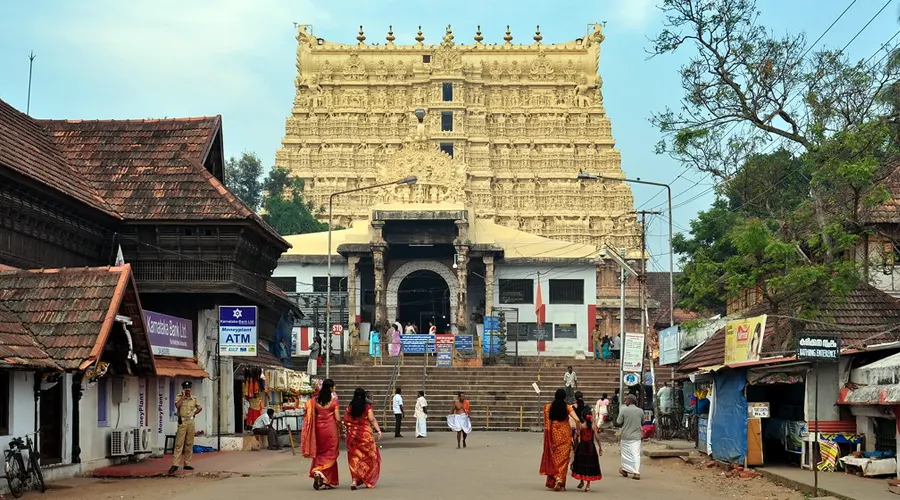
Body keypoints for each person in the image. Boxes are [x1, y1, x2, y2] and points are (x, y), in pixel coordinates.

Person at [302, 378, 340, 490]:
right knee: (331, 453)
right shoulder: (334, 401)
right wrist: (341, 428)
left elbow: (309, 413)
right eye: (334, 386)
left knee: (320, 452)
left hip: (318, 430)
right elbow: (337, 418)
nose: (335, 388)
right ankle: (319, 471)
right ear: (331, 388)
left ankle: (324, 478)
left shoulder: (315, 401)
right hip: (330, 429)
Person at [539, 388, 581, 491]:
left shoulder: (548, 407)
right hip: (565, 434)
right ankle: (560, 479)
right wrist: (578, 431)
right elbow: (577, 419)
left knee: (554, 457)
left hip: (553, 433)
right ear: (564, 397)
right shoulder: (567, 407)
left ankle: (556, 478)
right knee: (564, 459)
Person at [344, 388, 382, 490]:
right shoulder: (367, 407)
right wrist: (378, 430)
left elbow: (345, 421)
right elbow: (372, 419)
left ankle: (354, 481)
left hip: (352, 436)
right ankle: (367, 480)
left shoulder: (349, 408)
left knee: (354, 457)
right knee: (370, 457)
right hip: (366, 435)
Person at [168, 381, 202, 475]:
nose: (187, 390)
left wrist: (194, 414)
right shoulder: (179, 397)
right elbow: (177, 406)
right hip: (182, 422)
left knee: (189, 443)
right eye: (186, 388)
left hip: (191, 422)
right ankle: (175, 464)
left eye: (189, 388)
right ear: (183, 389)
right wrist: (183, 397)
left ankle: (187, 463)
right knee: (179, 444)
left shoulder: (193, 398)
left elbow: (200, 408)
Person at [572, 408, 603, 491]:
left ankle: (581, 480)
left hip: (582, 447)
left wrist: (575, 445)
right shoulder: (593, 426)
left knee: (582, 463)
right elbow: (597, 437)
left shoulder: (581, 426)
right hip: (590, 447)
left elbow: (575, 437)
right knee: (590, 464)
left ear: (582, 417)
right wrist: (600, 447)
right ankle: (588, 485)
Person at [616, 394, 644, 480]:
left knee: (625, 455)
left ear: (629, 401)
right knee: (636, 454)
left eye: (626, 400)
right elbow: (642, 422)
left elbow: (618, 421)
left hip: (626, 436)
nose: (625, 401)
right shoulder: (640, 411)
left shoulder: (623, 410)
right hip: (636, 437)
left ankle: (626, 469)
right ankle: (636, 472)